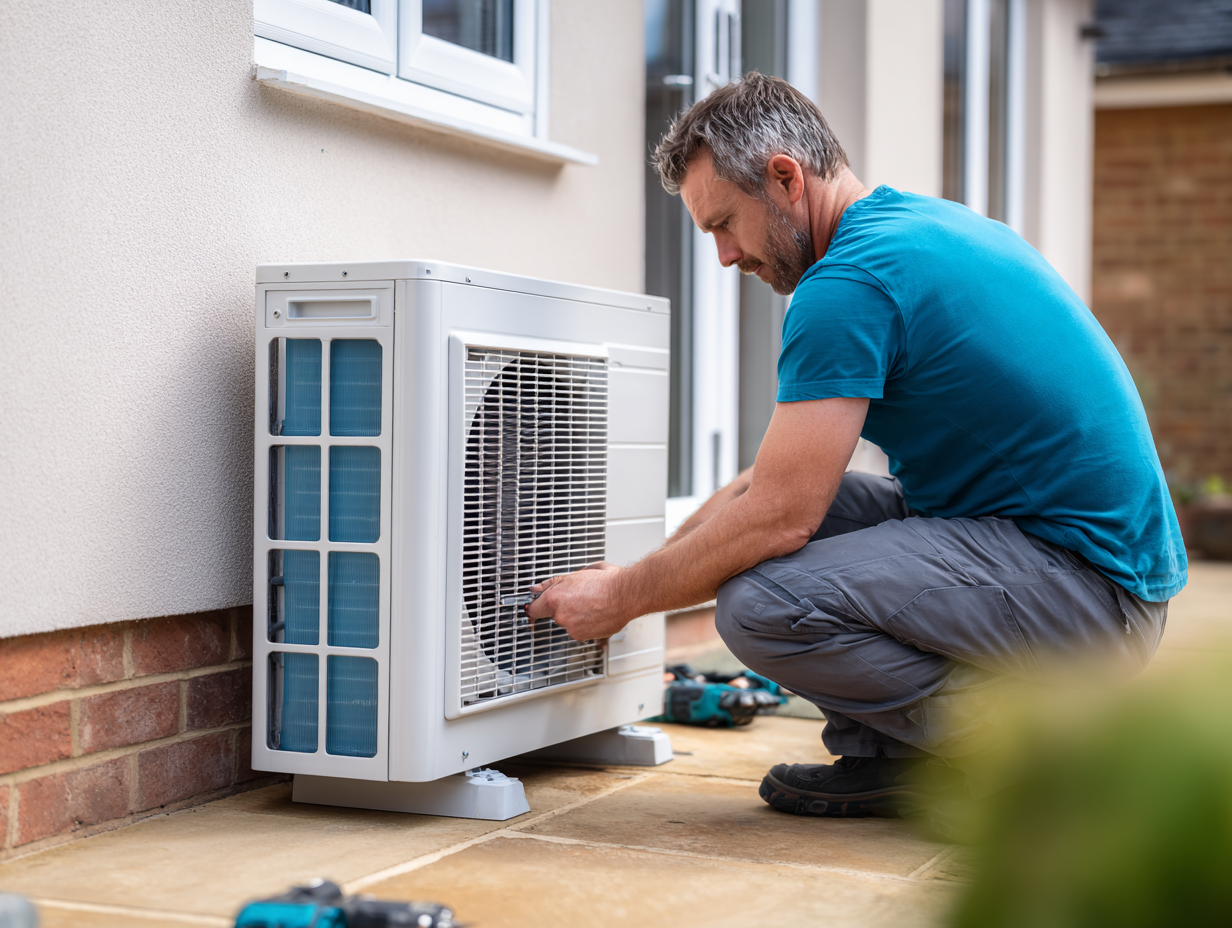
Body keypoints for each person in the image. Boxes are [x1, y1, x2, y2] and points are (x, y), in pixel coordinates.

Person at [525, 73, 1186, 818]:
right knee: (797, 519)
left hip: (1091, 590)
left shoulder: (849, 284)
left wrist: (623, 600)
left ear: (784, 178)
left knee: (762, 604)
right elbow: (764, 489)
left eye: (724, 225)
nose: (723, 256)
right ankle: (894, 760)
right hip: (1080, 562)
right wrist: (645, 571)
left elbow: (780, 519)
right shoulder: (914, 228)